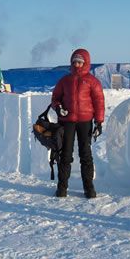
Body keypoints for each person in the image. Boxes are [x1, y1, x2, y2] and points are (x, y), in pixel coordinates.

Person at [51, 48, 105, 198]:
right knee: (65, 155)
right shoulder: (64, 81)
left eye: (80, 62)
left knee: (85, 155)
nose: (77, 64)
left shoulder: (92, 81)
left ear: (86, 62)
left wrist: (99, 122)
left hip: (85, 122)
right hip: (67, 122)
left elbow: (99, 102)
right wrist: (58, 108)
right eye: (74, 61)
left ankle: (89, 188)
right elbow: (55, 98)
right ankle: (62, 188)